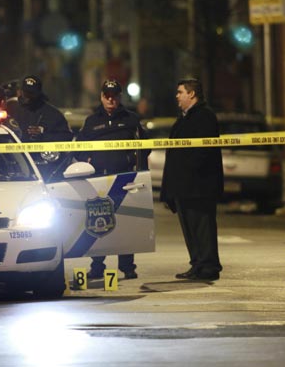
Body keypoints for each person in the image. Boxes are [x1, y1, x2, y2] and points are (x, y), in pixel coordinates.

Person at [77, 79, 149, 280]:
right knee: (98, 223)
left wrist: (137, 169)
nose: (111, 100)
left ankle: (128, 267)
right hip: (99, 179)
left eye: (115, 96)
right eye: (107, 96)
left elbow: (146, 146)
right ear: (101, 97)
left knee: (126, 223)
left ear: (119, 97)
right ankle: (97, 266)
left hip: (125, 179)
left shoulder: (131, 120)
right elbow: (79, 147)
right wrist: (87, 165)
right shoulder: (92, 121)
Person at [160, 78, 223, 281]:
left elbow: (202, 154)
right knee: (190, 229)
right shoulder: (184, 118)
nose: (177, 96)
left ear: (192, 94)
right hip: (184, 187)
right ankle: (197, 264)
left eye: (180, 92)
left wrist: (187, 176)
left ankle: (208, 266)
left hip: (199, 187)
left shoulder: (204, 117)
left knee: (202, 227)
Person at [14, 75, 73, 178]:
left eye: (31, 93)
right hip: (16, 167)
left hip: (46, 168)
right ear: (20, 91)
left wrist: (43, 134)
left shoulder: (53, 114)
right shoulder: (12, 110)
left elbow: (66, 137)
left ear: (38, 93)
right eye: (25, 92)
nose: (27, 96)